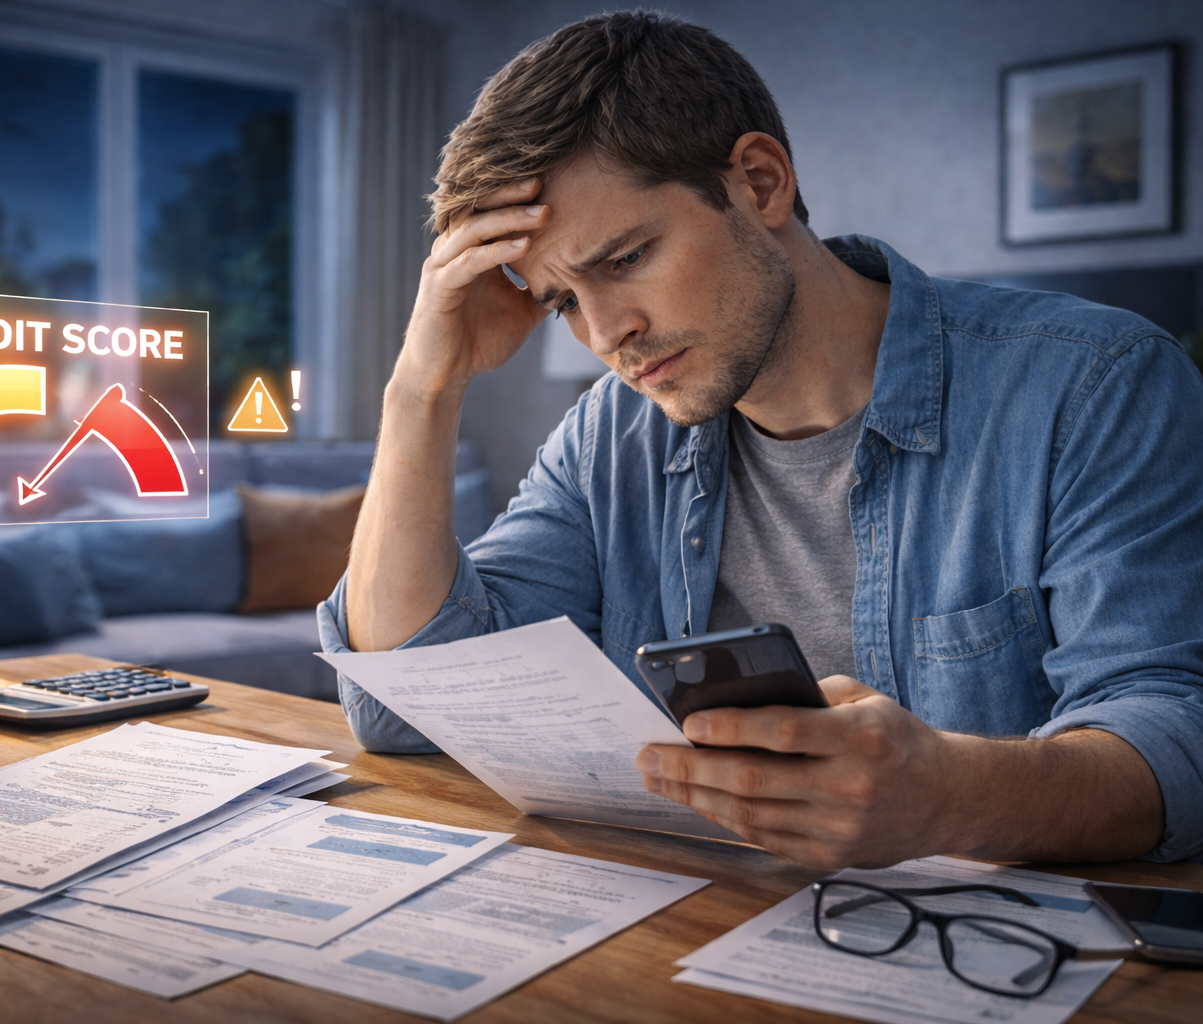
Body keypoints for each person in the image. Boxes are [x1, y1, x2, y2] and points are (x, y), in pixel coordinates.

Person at [318, 11, 1203, 869]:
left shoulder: (1095, 383)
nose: (604, 335)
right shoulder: (610, 432)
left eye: (624, 260)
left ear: (760, 182)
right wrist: (422, 387)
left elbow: (1172, 734)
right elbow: (413, 699)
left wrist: (950, 795)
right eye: (561, 301)